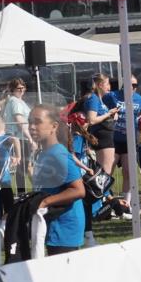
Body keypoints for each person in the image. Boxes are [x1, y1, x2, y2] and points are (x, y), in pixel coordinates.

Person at [28, 105, 85, 255]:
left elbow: (78, 190)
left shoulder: (58, 154)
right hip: (52, 224)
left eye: (37, 122)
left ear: (53, 126)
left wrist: (45, 202)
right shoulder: (44, 153)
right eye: (29, 123)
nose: (32, 127)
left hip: (64, 227)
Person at [104, 74, 141, 214]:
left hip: (130, 141)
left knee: (128, 172)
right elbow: (102, 104)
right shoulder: (112, 96)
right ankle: (108, 202)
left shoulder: (140, 100)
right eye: (130, 85)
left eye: (135, 85)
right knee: (107, 173)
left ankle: (126, 204)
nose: (133, 88)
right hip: (113, 139)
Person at [67, 112, 100, 248]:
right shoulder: (77, 138)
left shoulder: (79, 138)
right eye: (85, 121)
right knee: (85, 208)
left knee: (86, 207)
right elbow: (73, 157)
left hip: (81, 177)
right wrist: (86, 168)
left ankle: (87, 237)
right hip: (81, 178)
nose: (88, 123)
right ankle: (88, 238)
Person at [77, 74, 120, 177]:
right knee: (104, 173)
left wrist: (111, 115)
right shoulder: (93, 98)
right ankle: (102, 193)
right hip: (102, 138)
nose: (109, 86)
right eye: (107, 83)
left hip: (104, 137)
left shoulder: (99, 99)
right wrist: (108, 114)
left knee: (104, 172)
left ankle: (103, 192)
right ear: (100, 85)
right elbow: (91, 120)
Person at [1, 78, 32, 194]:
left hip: (20, 137)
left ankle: (24, 193)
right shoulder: (15, 101)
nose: (22, 90)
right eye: (19, 88)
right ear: (13, 89)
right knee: (21, 169)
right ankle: (21, 194)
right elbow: (19, 121)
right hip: (19, 138)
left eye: (23, 88)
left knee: (24, 168)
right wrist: (30, 138)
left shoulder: (17, 101)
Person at [0, 116, 18, 224]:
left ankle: (3, 225)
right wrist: (18, 156)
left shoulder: (2, 138)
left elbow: (15, 140)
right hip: (0, 180)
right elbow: (16, 140)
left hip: (0, 180)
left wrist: (17, 156)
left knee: (2, 207)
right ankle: (4, 226)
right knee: (6, 206)